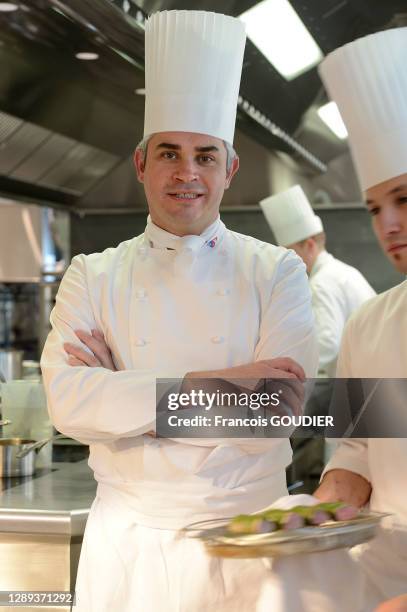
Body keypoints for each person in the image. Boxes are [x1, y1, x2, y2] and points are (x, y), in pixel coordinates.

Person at [41, 10, 320, 611]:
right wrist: (215, 386)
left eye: (205, 156)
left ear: (229, 170)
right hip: (127, 546)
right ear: (141, 164)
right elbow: (67, 402)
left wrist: (122, 396)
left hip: (244, 539)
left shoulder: (277, 271)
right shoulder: (93, 272)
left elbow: (273, 413)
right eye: (169, 153)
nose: (187, 173)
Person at [313, 26, 407, 610]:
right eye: (375, 207)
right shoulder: (370, 324)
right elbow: (357, 454)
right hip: (382, 568)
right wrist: (316, 517)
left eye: (405, 199)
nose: (387, 225)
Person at [260, 185, 376, 377]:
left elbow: (327, 344)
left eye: (289, 252)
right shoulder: (343, 271)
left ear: (310, 245)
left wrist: (289, 368)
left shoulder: (322, 283)